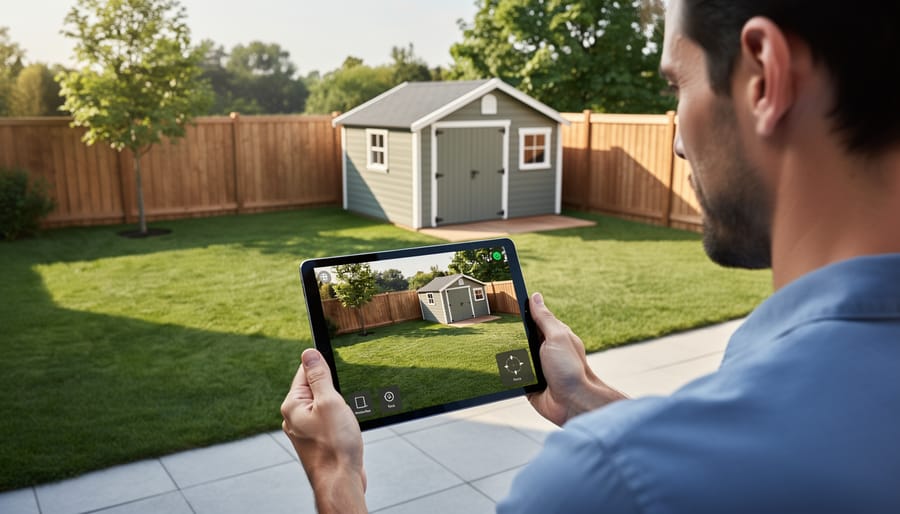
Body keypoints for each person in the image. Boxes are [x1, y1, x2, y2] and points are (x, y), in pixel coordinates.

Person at [281, 0, 900, 511]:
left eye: (677, 86)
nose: (679, 141)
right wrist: (586, 399)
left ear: (764, 78)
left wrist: (337, 477)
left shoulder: (607, 483)